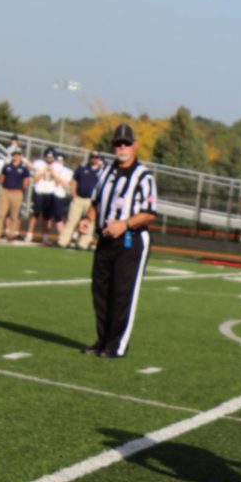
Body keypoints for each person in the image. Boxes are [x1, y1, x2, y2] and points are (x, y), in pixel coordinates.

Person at [83, 124, 158, 359]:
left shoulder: (144, 176)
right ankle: (103, 340)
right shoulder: (106, 172)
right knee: (100, 291)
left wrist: (124, 224)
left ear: (135, 145)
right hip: (105, 239)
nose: (122, 147)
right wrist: (87, 219)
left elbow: (149, 212)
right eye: (118, 143)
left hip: (130, 240)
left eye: (126, 143)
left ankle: (117, 345)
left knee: (122, 293)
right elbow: (96, 202)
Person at [57, 153, 103, 250]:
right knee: (71, 220)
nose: (94, 159)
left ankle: (83, 244)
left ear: (99, 159)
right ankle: (63, 242)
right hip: (79, 198)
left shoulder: (102, 170)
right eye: (92, 157)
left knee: (90, 222)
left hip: (92, 201)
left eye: (96, 157)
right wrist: (74, 195)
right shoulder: (82, 167)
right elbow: (74, 181)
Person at [0, 147, 30, 241]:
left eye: (18, 155)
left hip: (17, 192)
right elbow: (2, 178)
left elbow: (26, 181)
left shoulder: (24, 168)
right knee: (1, 213)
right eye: (15, 155)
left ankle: (11, 234)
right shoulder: (7, 166)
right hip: (6, 191)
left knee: (14, 215)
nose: (16, 157)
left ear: (21, 156)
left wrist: (21, 189)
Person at [26, 147, 57, 243]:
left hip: (50, 193)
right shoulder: (39, 164)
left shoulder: (57, 166)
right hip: (39, 191)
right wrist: (43, 171)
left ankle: (44, 236)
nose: (49, 159)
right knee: (35, 213)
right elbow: (35, 179)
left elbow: (57, 182)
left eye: (51, 157)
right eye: (48, 157)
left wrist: (52, 173)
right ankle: (29, 234)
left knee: (47, 216)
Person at [49, 153, 73, 242]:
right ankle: (48, 236)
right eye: (58, 160)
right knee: (51, 216)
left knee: (61, 216)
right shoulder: (51, 167)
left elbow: (67, 185)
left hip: (62, 195)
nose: (59, 162)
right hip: (51, 193)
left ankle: (64, 237)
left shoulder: (67, 171)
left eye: (61, 160)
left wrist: (57, 177)